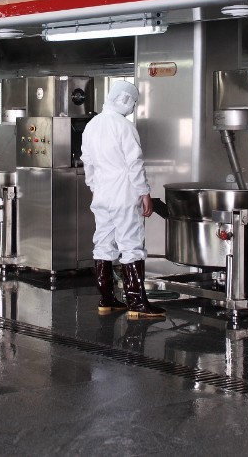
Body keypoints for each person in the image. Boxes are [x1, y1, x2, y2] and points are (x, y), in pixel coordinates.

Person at [81, 81, 164, 319]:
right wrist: (144, 192)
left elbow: (88, 162)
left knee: (103, 244)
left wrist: (94, 187)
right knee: (131, 245)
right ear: (126, 100)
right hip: (125, 195)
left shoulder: (92, 125)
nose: (133, 107)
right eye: (133, 103)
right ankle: (137, 303)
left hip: (101, 195)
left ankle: (107, 299)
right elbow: (134, 163)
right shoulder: (124, 126)